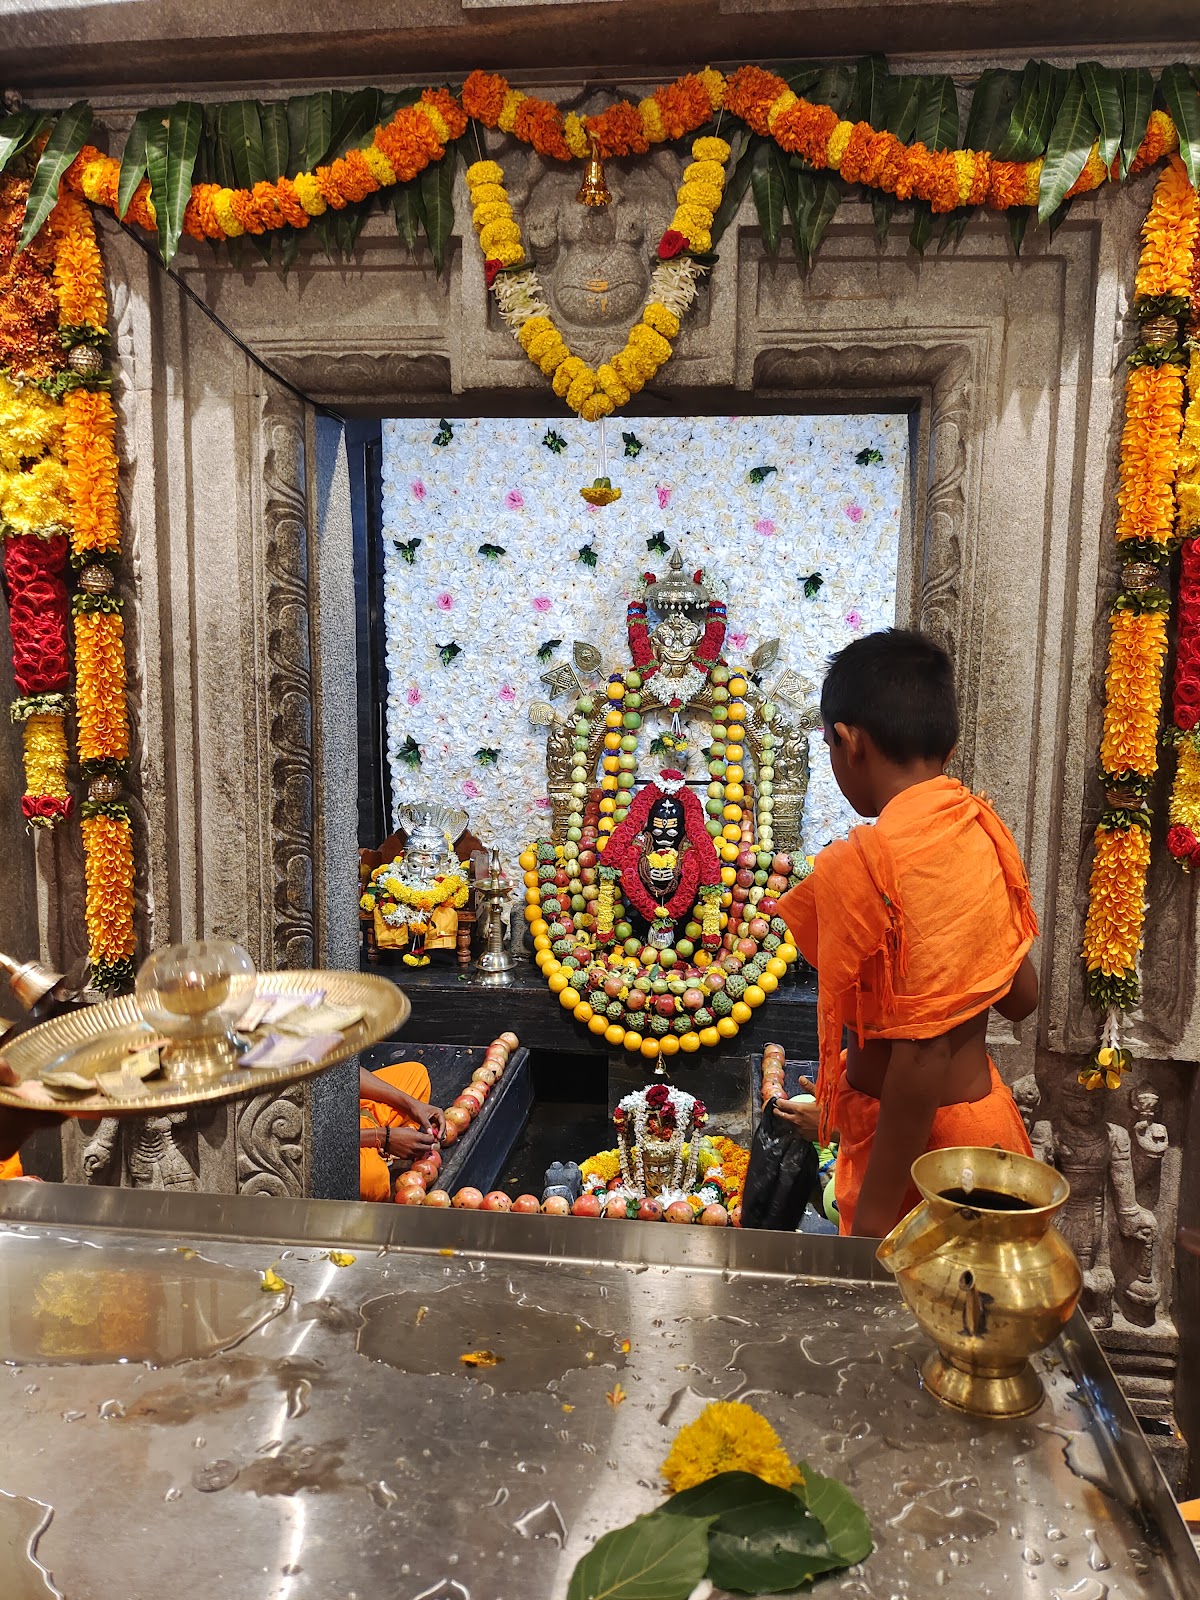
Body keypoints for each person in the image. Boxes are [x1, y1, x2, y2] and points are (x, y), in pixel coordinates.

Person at [777, 629, 1038, 1239]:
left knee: (904, 1301)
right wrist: (846, 1103)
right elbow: (1021, 997)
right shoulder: (977, 828)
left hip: (923, 1169)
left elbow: (922, 1057)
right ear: (948, 746)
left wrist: (871, 1231)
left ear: (849, 743)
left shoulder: (875, 862)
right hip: (980, 1132)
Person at [359, 1062, 445, 1201]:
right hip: (330, 1142)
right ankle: (381, 1146)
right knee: (372, 1181)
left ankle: (385, 1139)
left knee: (416, 1075)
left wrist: (411, 1105)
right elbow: (322, 1140)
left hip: (350, 1115)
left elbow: (346, 1074)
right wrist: (384, 1137)